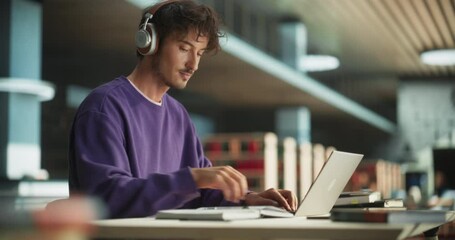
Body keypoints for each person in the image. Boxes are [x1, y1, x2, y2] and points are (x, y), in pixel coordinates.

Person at [69, 0, 297, 219]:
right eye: (184, 48)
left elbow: (202, 193)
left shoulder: (179, 115)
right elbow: (106, 198)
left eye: (199, 53)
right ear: (150, 42)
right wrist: (192, 178)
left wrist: (248, 199)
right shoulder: (104, 107)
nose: (193, 65)